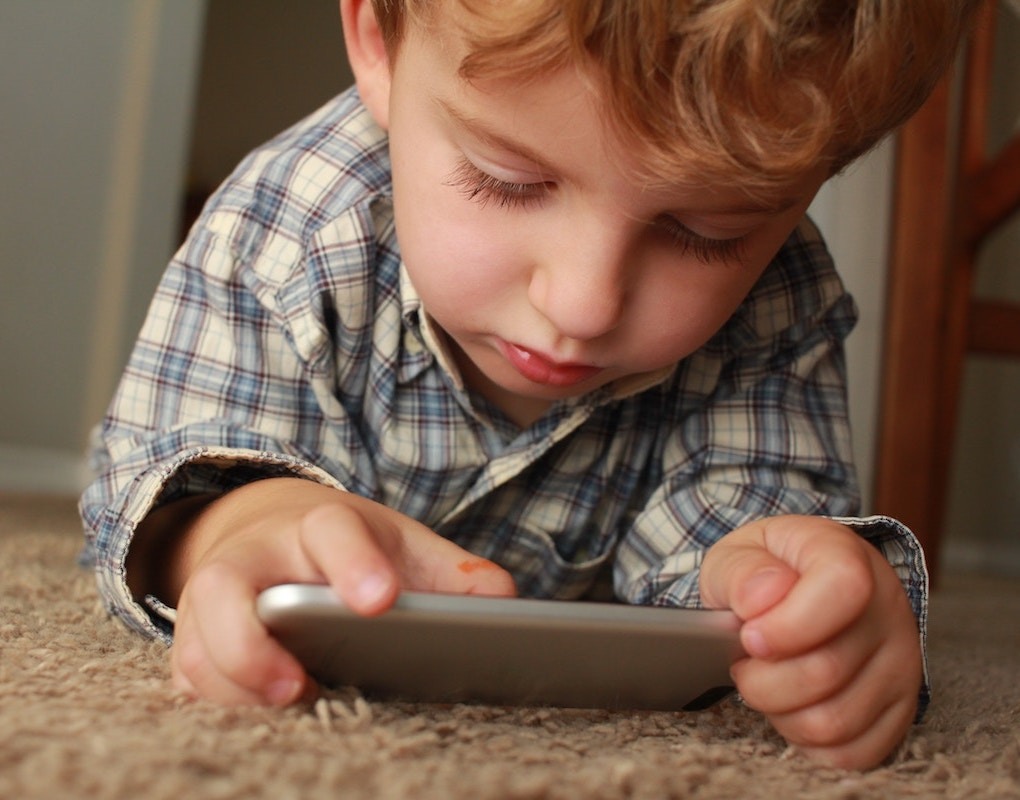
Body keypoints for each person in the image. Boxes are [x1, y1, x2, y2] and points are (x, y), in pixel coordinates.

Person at [79, 0, 978, 770]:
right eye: (510, 183)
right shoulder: (288, 227)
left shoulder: (779, 291)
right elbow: (159, 473)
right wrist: (236, 525)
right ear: (379, 45)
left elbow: (741, 515)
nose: (583, 304)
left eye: (706, 232)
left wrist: (788, 596)